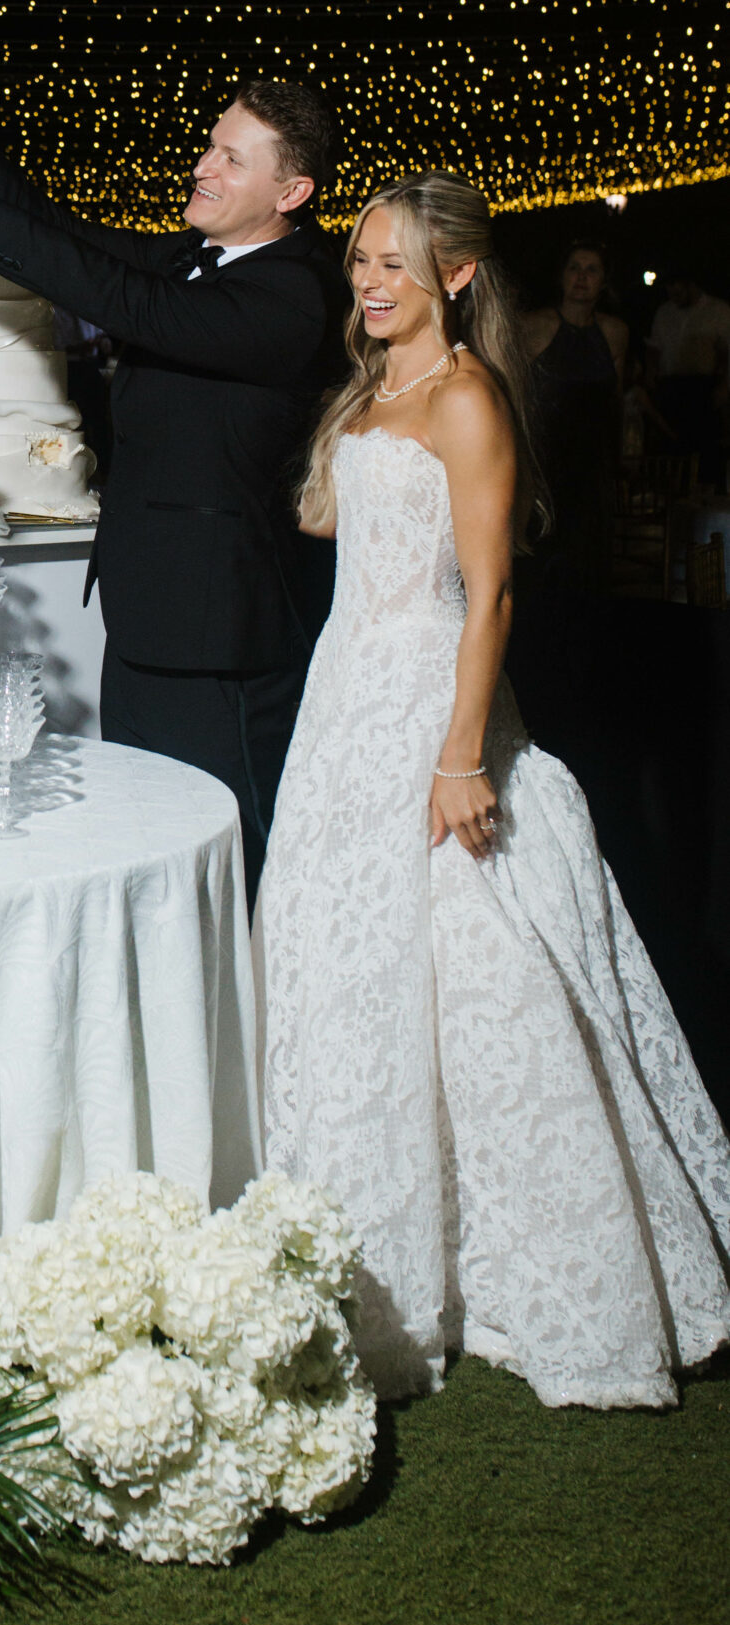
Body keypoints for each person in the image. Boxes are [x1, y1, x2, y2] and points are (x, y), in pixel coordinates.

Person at [255, 171, 730, 1410]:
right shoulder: (377, 386)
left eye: (394, 265)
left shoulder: (469, 401)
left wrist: (461, 754)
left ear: (457, 276)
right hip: (341, 701)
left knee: (469, 966)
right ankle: (352, 1234)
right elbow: (351, 533)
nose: (369, 281)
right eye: (360, 260)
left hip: (427, 709)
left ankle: (492, 1263)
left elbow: (492, 591)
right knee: (346, 952)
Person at [0, 77, 346, 883]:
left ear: (290, 191)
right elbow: (72, 241)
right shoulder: (196, 255)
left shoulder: (298, 291)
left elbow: (124, 301)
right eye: (209, 145)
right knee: (147, 844)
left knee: (230, 854)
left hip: (221, 633)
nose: (203, 166)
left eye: (231, 159)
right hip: (149, 612)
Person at [522, 242, 627, 590]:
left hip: (593, 469)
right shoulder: (535, 325)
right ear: (561, 276)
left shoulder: (615, 333)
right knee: (544, 567)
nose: (581, 277)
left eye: (591, 269)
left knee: (589, 569)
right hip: (544, 467)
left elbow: (615, 401)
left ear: (604, 282)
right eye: (574, 267)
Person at [646, 268, 730, 489]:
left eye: (677, 287)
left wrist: (724, 386)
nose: (672, 293)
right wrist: (651, 373)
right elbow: (655, 347)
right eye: (669, 288)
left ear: (690, 284)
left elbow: (726, 352)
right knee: (672, 451)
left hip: (702, 387)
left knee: (705, 453)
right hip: (672, 387)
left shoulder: (718, 310)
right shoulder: (665, 312)